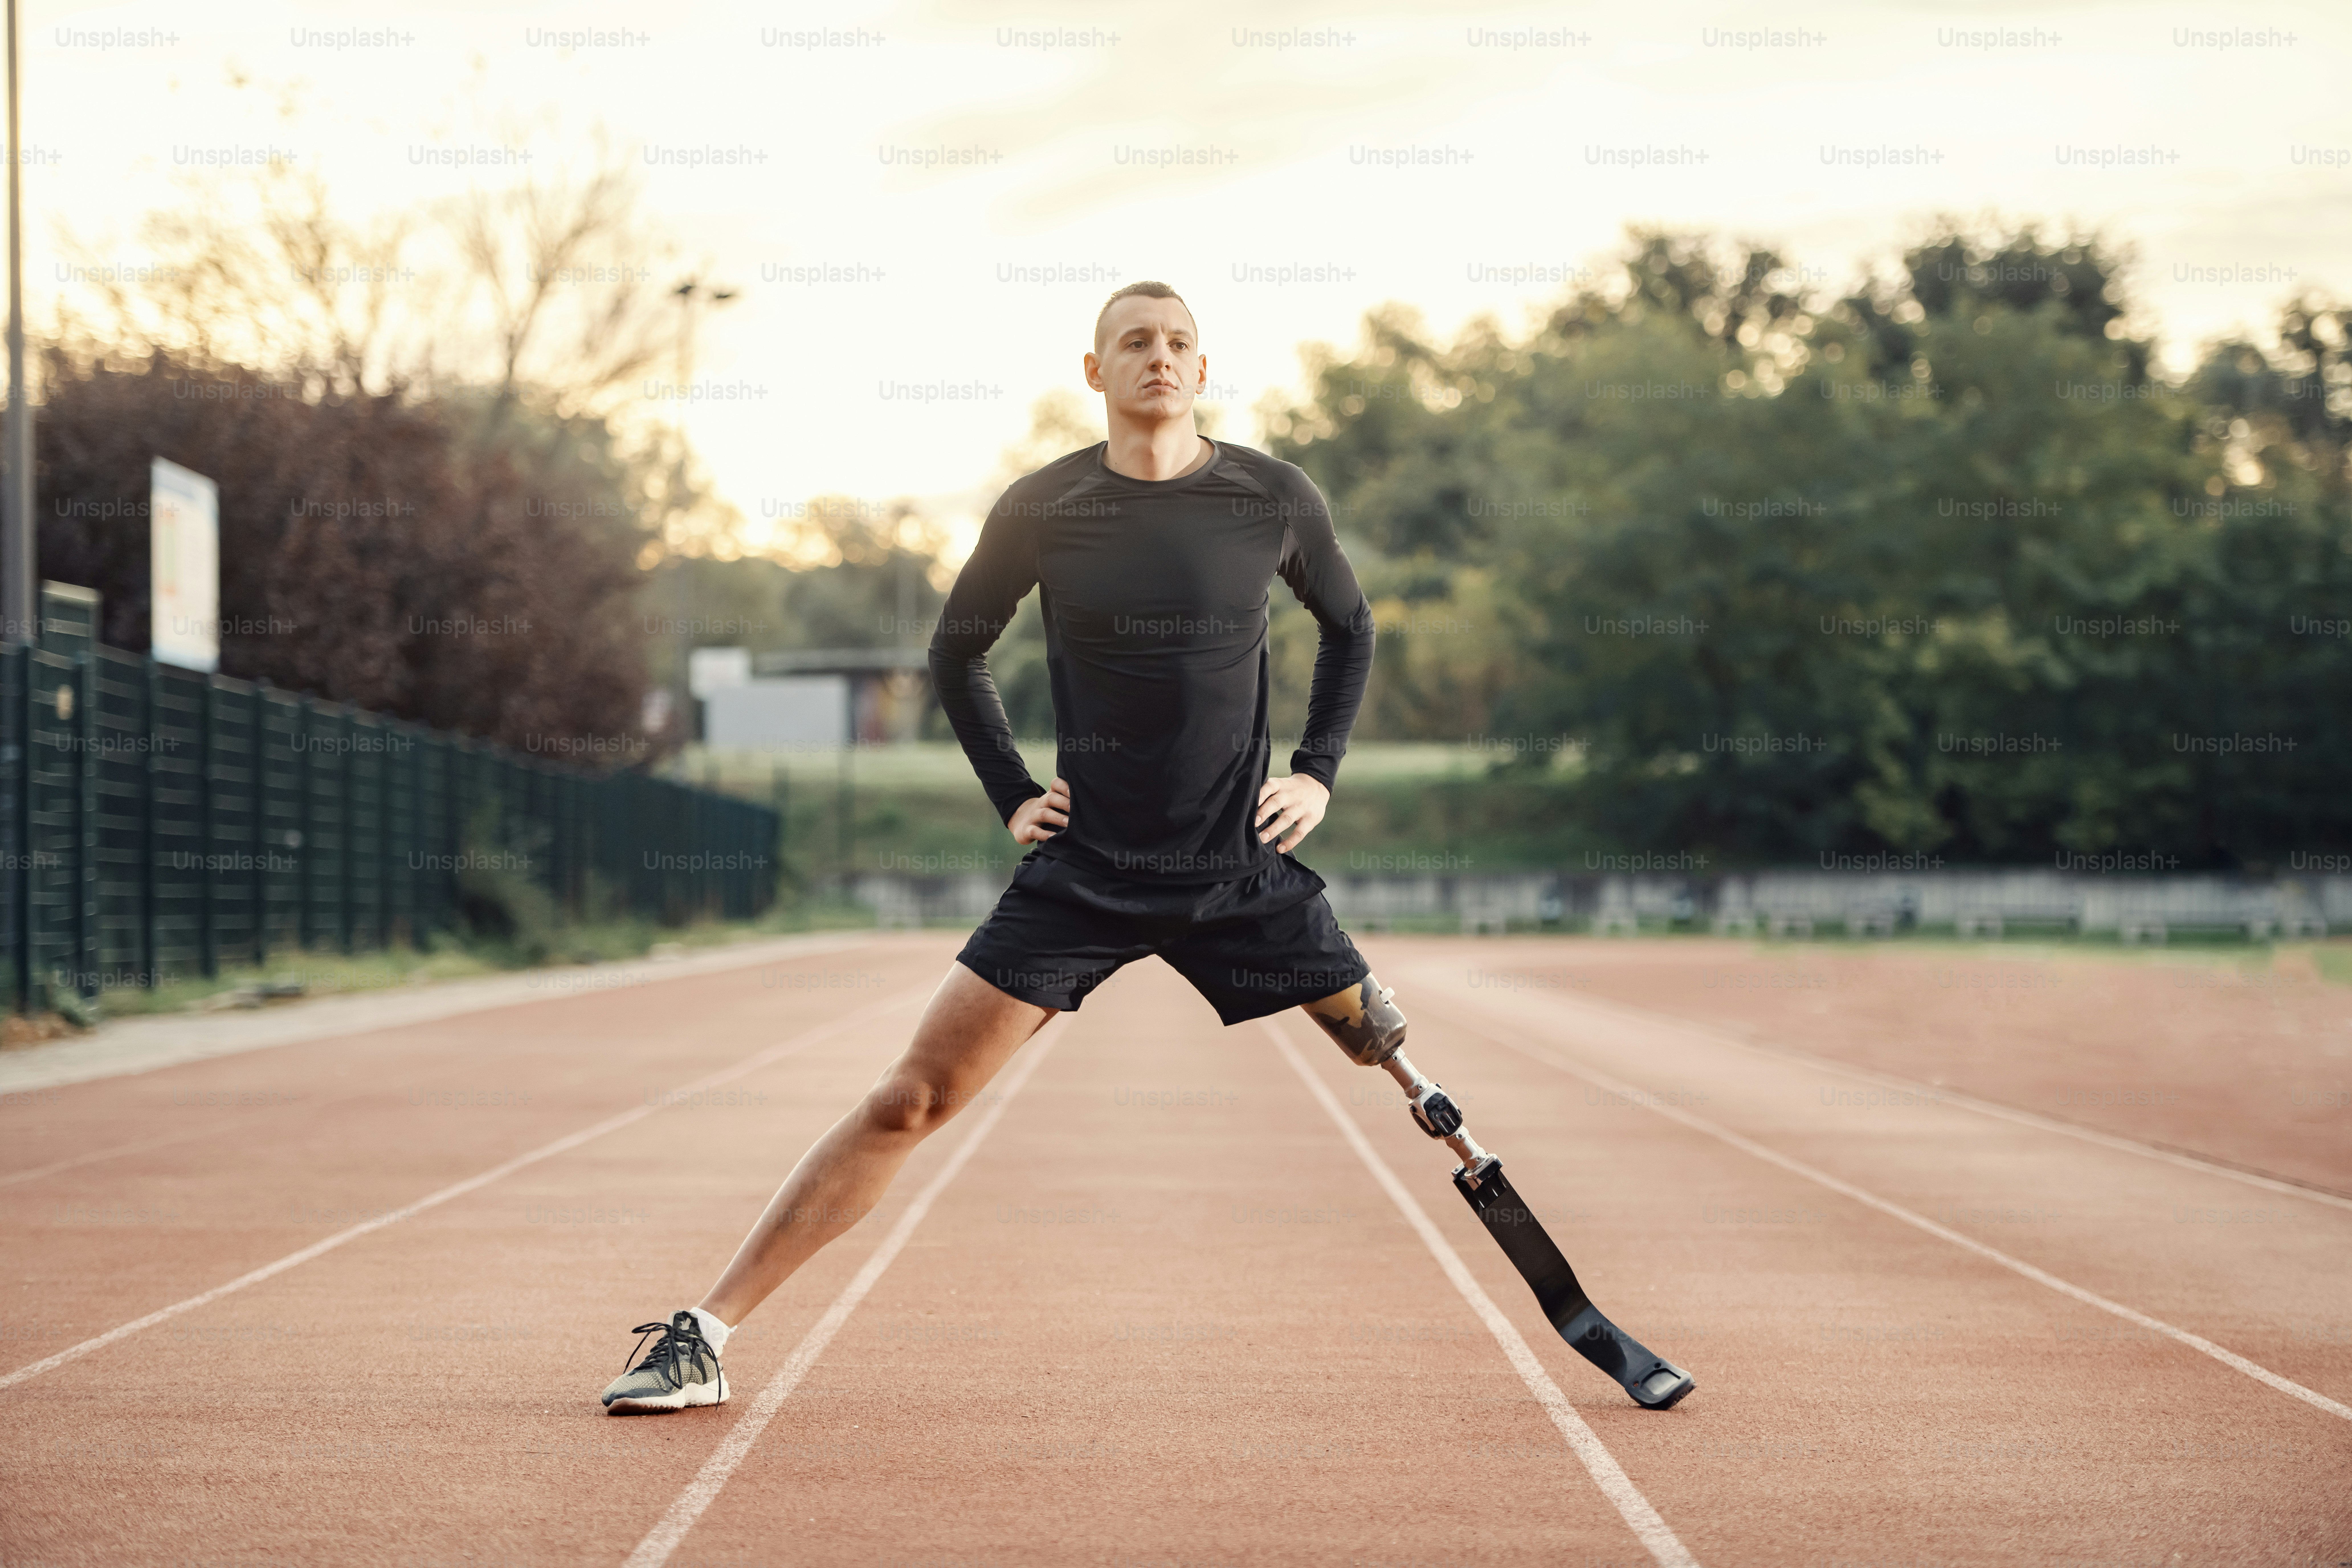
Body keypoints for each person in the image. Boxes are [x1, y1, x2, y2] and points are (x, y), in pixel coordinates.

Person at [600, 280, 1408, 1414]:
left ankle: (1374, 1024)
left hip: (1241, 868)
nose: (1159, 359)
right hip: (1085, 878)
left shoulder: (1271, 495)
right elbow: (955, 650)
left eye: (1179, 344)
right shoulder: (1047, 504)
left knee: (1386, 1047)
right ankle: (705, 1333)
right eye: (1135, 342)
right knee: (908, 1100)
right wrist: (1013, 793)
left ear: (1204, 367)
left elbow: (1353, 624)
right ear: (1096, 371)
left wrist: (1317, 773)